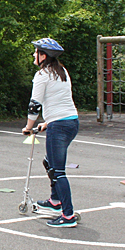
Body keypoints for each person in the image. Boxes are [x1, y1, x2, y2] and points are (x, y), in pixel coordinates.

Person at [24, 38, 81, 228]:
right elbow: (60, 100)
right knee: (49, 162)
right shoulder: (61, 71)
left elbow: (35, 105)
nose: (33, 54)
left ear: (43, 56)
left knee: (58, 171)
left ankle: (68, 215)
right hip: (70, 122)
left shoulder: (42, 74)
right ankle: (55, 201)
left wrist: (28, 127)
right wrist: (46, 123)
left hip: (60, 125)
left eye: (36, 52)